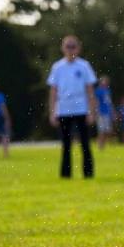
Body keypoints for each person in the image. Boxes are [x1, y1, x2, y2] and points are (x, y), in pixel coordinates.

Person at [47, 35, 97, 178]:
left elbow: (90, 91)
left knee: (85, 144)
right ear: (63, 48)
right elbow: (53, 92)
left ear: (78, 48)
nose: (70, 49)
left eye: (73, 46)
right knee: (66, 145)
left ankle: (88, 174)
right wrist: (52, 112)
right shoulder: (57, 67)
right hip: (63, 109)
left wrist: (92, 112)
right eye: (68, 46)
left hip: (81, 108)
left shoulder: (84, 66)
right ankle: (66, 175)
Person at [94, 76, 114, 149]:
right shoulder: (98, 91)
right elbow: (96, 102)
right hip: (101, 113)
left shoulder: (108, 90)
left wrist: (112, 111)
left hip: (107, 113)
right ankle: (100, 145)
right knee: (101, 130)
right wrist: (96, 112)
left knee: (107, 130)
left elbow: (109, 102)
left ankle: (103, 144)